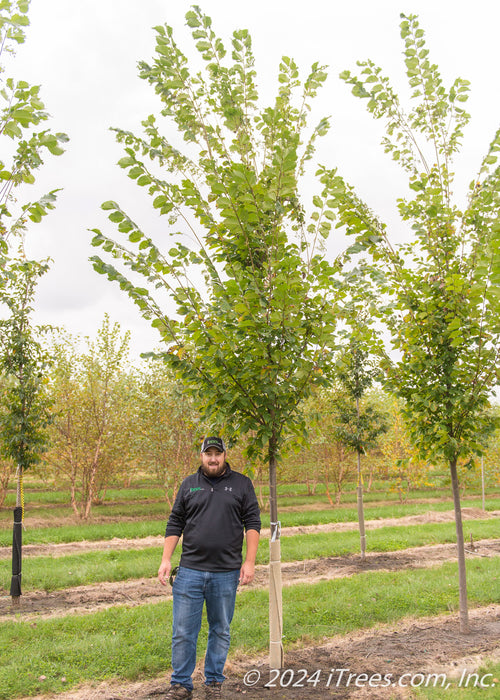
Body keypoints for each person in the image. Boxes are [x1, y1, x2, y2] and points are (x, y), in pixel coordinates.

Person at [158, 436, 261, 700]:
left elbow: (252, 523)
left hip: (226, 573)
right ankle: (181, 684)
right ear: (201, 455)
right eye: (208, 454)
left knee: (220, 629)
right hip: (190, 571)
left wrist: (249, 562)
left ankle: (214, 682)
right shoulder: (189, 485)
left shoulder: (242, 484)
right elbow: (175, 523)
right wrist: (166, 559)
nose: (213, 458)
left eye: (217, 453)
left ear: (225, 455)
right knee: (183, 631)